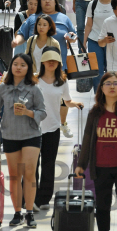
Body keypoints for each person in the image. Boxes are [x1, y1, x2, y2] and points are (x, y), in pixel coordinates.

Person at [75, 72, 117, 231]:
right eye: (108, 83)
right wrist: (81, 164)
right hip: (101, 168)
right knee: (103, 208)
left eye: (116, 83)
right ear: (101, 88)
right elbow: (87, 138)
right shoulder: (95, 112)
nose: (112, 86)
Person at [0, 54, 46, 228]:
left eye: (23, 65)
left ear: (29, 68)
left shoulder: (34, 89)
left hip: (31, 134)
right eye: (15, 64)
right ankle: (17, 212)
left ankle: (29, 212)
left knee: (29, 173)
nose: (18, 67)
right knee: (15, 175)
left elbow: (42, 112)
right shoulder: (3, 87)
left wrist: (29, 113)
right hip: (10, 135)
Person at [34, 47, 84, 209]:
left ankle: (43, 199)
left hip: (53, 128)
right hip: (33, 128)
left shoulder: (61, 82)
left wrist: (75, 104)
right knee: (32, 165)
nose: (51, 63)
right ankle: (29, 197)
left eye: (54, 60)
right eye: (48, 60)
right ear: (42, 62)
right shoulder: (34, 80)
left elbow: (67, 101)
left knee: (48, 164)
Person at [13, 0, 77, 71]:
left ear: (55, 2)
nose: (47, 1)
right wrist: (16, 41)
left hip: (58, 67)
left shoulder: (64, 18)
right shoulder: (32, 18)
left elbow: (74, 36)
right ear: (40, 2)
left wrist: (69, 37)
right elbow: (21, 34)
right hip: (35, 68)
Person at [85, 0, 116, 92]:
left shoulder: (116, 3)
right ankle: (99, 98)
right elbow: (88, 25)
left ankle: (110, 94)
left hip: (112, 42)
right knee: (97, 71)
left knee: (111, 70)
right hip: (94, 40)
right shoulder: (92, 4)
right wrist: (84, 43)